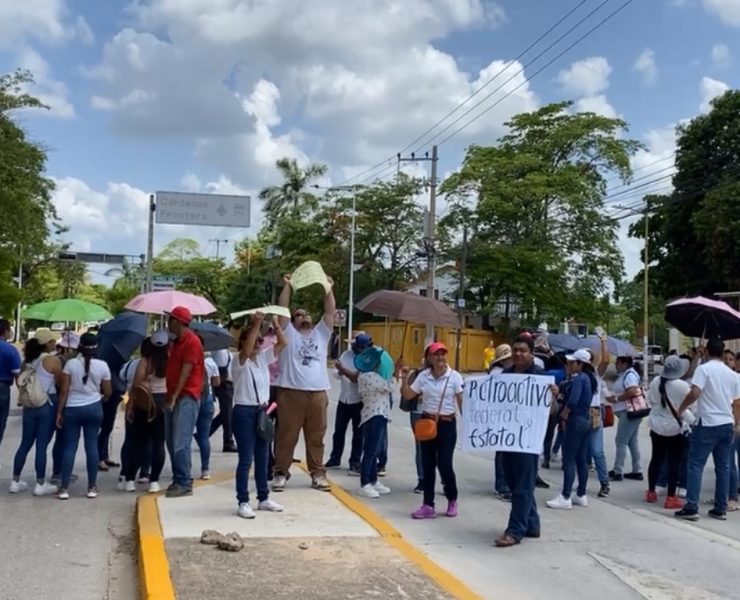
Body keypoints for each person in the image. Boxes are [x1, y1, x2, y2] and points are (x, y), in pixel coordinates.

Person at [272, 273, 336, 492]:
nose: (303, 317)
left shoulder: (321, 333)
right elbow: (282, 309)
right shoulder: (288, 332)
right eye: (298, 315)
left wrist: (327, 288)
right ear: (293, 320)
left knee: (316, 437)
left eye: (306, 314)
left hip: (318, 393)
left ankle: (318, 473)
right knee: (286, 436)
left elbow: (330, 311)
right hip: (291, 393)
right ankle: (281, 472)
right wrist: (288, 285)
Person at [495, 335, 554, 548]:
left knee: (522, 486)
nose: (519, 354)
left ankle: (515, 530)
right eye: (516, 350)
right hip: (507, 437)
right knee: (514, 482)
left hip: (528, 440)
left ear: (531, 353)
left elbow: (551, 410)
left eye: (523, 350)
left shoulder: (540, 376)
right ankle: (532, 523)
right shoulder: (506, 374)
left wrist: (553, 396)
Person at [676, 338, 740, 521]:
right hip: (726, 423)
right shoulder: (732, 374)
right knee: (724, 467)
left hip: (707, 422)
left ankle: (691, 507)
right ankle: (720, 508)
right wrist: (735, 423)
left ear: (707, 352)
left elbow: (695, 392)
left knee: (695, 465)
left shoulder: (703, 370)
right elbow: (737, 403)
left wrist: (682, 407)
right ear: (722, 353)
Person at [231, 312, 287, 518]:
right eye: (255, 340)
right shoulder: (238, 360)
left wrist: (274, 324)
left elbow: (283, 343)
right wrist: (255, 324)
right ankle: (243, 500)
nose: (258, 344)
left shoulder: (262, 359)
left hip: (262, 411)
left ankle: (263, 497)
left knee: (263, 458)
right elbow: (246, 350)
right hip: (244, 411)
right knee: (246, 459)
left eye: (260, 341)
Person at [401, 342, 464, 519]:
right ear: (429, 358)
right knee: (427, 464)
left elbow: (461, 402)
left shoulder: (455, 377)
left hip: (446, 424)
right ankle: (428, 504)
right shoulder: (423, 377)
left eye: (443, 353)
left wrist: (469, 424)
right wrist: (404, 378)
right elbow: (408, 395)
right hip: (427, 423)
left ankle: (452, 498)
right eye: (436, 354)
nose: (441, 357)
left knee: (444, 464)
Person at [55, 333, 112, 500]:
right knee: (92, 447)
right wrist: (102, 398)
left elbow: (64, 391)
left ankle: (64, 488)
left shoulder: (71, 364)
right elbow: (108, 391)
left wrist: (59, 412)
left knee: (69, 447)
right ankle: (92, 487)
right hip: (94, 408)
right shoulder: (102, 365)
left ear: (80, 345)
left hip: (73, 408)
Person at [9, 329, 62, 496]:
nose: (55, 344)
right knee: (41, 446)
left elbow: (20, 383)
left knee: (25, 443)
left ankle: (15, 481)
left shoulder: (27, 362)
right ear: (46, 343)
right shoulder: (52, 360)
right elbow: (61, 382)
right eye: (52, 341)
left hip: (29, 406)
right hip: (47, 403)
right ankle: (40, 484)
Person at [547, 349, 597, 510]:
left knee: (569, 459)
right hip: (586, 421)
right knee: (581, 459)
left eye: (572, 362)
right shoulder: (589, 379)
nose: (569, 365)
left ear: (580, 364)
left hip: (575, 420)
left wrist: (564, 415)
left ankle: (565, 495)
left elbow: (573, 401)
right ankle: (581, 494)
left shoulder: (578, 379)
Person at [164, 306, 205, 498]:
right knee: (172, 440)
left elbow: (185, 372)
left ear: (178, 322)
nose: (168, 322)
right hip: (175, 395)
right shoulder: (177, 342)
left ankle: (184, 481)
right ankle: (178, 477)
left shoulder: (192, 342)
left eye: (170, 319)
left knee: (181, 440)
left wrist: (173, 396)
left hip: (186, 396)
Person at [123, 330, 169, 494]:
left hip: (144, 403)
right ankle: (154, 481)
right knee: (159, 443)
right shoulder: (170, 361)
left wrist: (129, 407)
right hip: (163, 403)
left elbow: (135, 385)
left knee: (139, 442)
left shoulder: (145, 362)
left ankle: (129, 480)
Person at [646, 355, 692, 509]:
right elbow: (688, 407)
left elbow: (651, 401)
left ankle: (651, 491)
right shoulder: (682, 386)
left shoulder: (655, 382)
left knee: (656, 459)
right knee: (674, 462)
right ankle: (671, 498)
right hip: (674, 428)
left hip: (656, 425)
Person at [325, 332, 372, 474]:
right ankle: (335, 458)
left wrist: (343, 370)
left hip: (359, 401)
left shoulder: (368, 359)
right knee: (338, 432)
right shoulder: (346, 354)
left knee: (358, 434)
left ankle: (355, 462)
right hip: (344, 398)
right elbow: (335, 371)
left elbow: (357, 379)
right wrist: (339, 372)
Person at [356, 346, 393, 499]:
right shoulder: (369, 377)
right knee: (371, 450)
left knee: (376, 449)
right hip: (374, 415)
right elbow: (389, 387)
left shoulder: (366, 376)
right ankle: (365, 482)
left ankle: (373, 479)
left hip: (379, 414)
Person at [608, 355, 644, 482]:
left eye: (617, 363)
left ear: (624, 363)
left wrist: (616, 398)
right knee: (632, 441)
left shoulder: (630, 375)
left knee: (621, 441)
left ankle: (618, 470)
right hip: (629, 412)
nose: (616, 365)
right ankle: (637, 470)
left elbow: (632, 391)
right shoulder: (627, 374)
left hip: (628, 412)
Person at [489, 344, 513, 501]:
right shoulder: (496, 373)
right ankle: (502, 485)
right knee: (502, 452)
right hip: (500, 417)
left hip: (513, 417)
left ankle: (508, 483)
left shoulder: (516, 372)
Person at [194, 347, 220, 481]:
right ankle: (205, 469)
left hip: (192, 399)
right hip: (208, 399)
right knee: (204, 436)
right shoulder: (210, 362)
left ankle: (183, 470)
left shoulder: (190, 360)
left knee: (188, 434)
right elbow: (217, 382)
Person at [210, 344, 237, 453]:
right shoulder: (220, 351)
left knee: (226, 413)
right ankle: (228, 441)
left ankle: (206, 432)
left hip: (227, 384)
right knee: (227, 414)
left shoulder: (224, 351)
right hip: (224, 384)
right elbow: (221, 369)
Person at [0, 318, 21, 454]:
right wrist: (22, 394)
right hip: (2, 389)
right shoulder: (10, 350)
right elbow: (17, 375)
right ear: (6, 331)